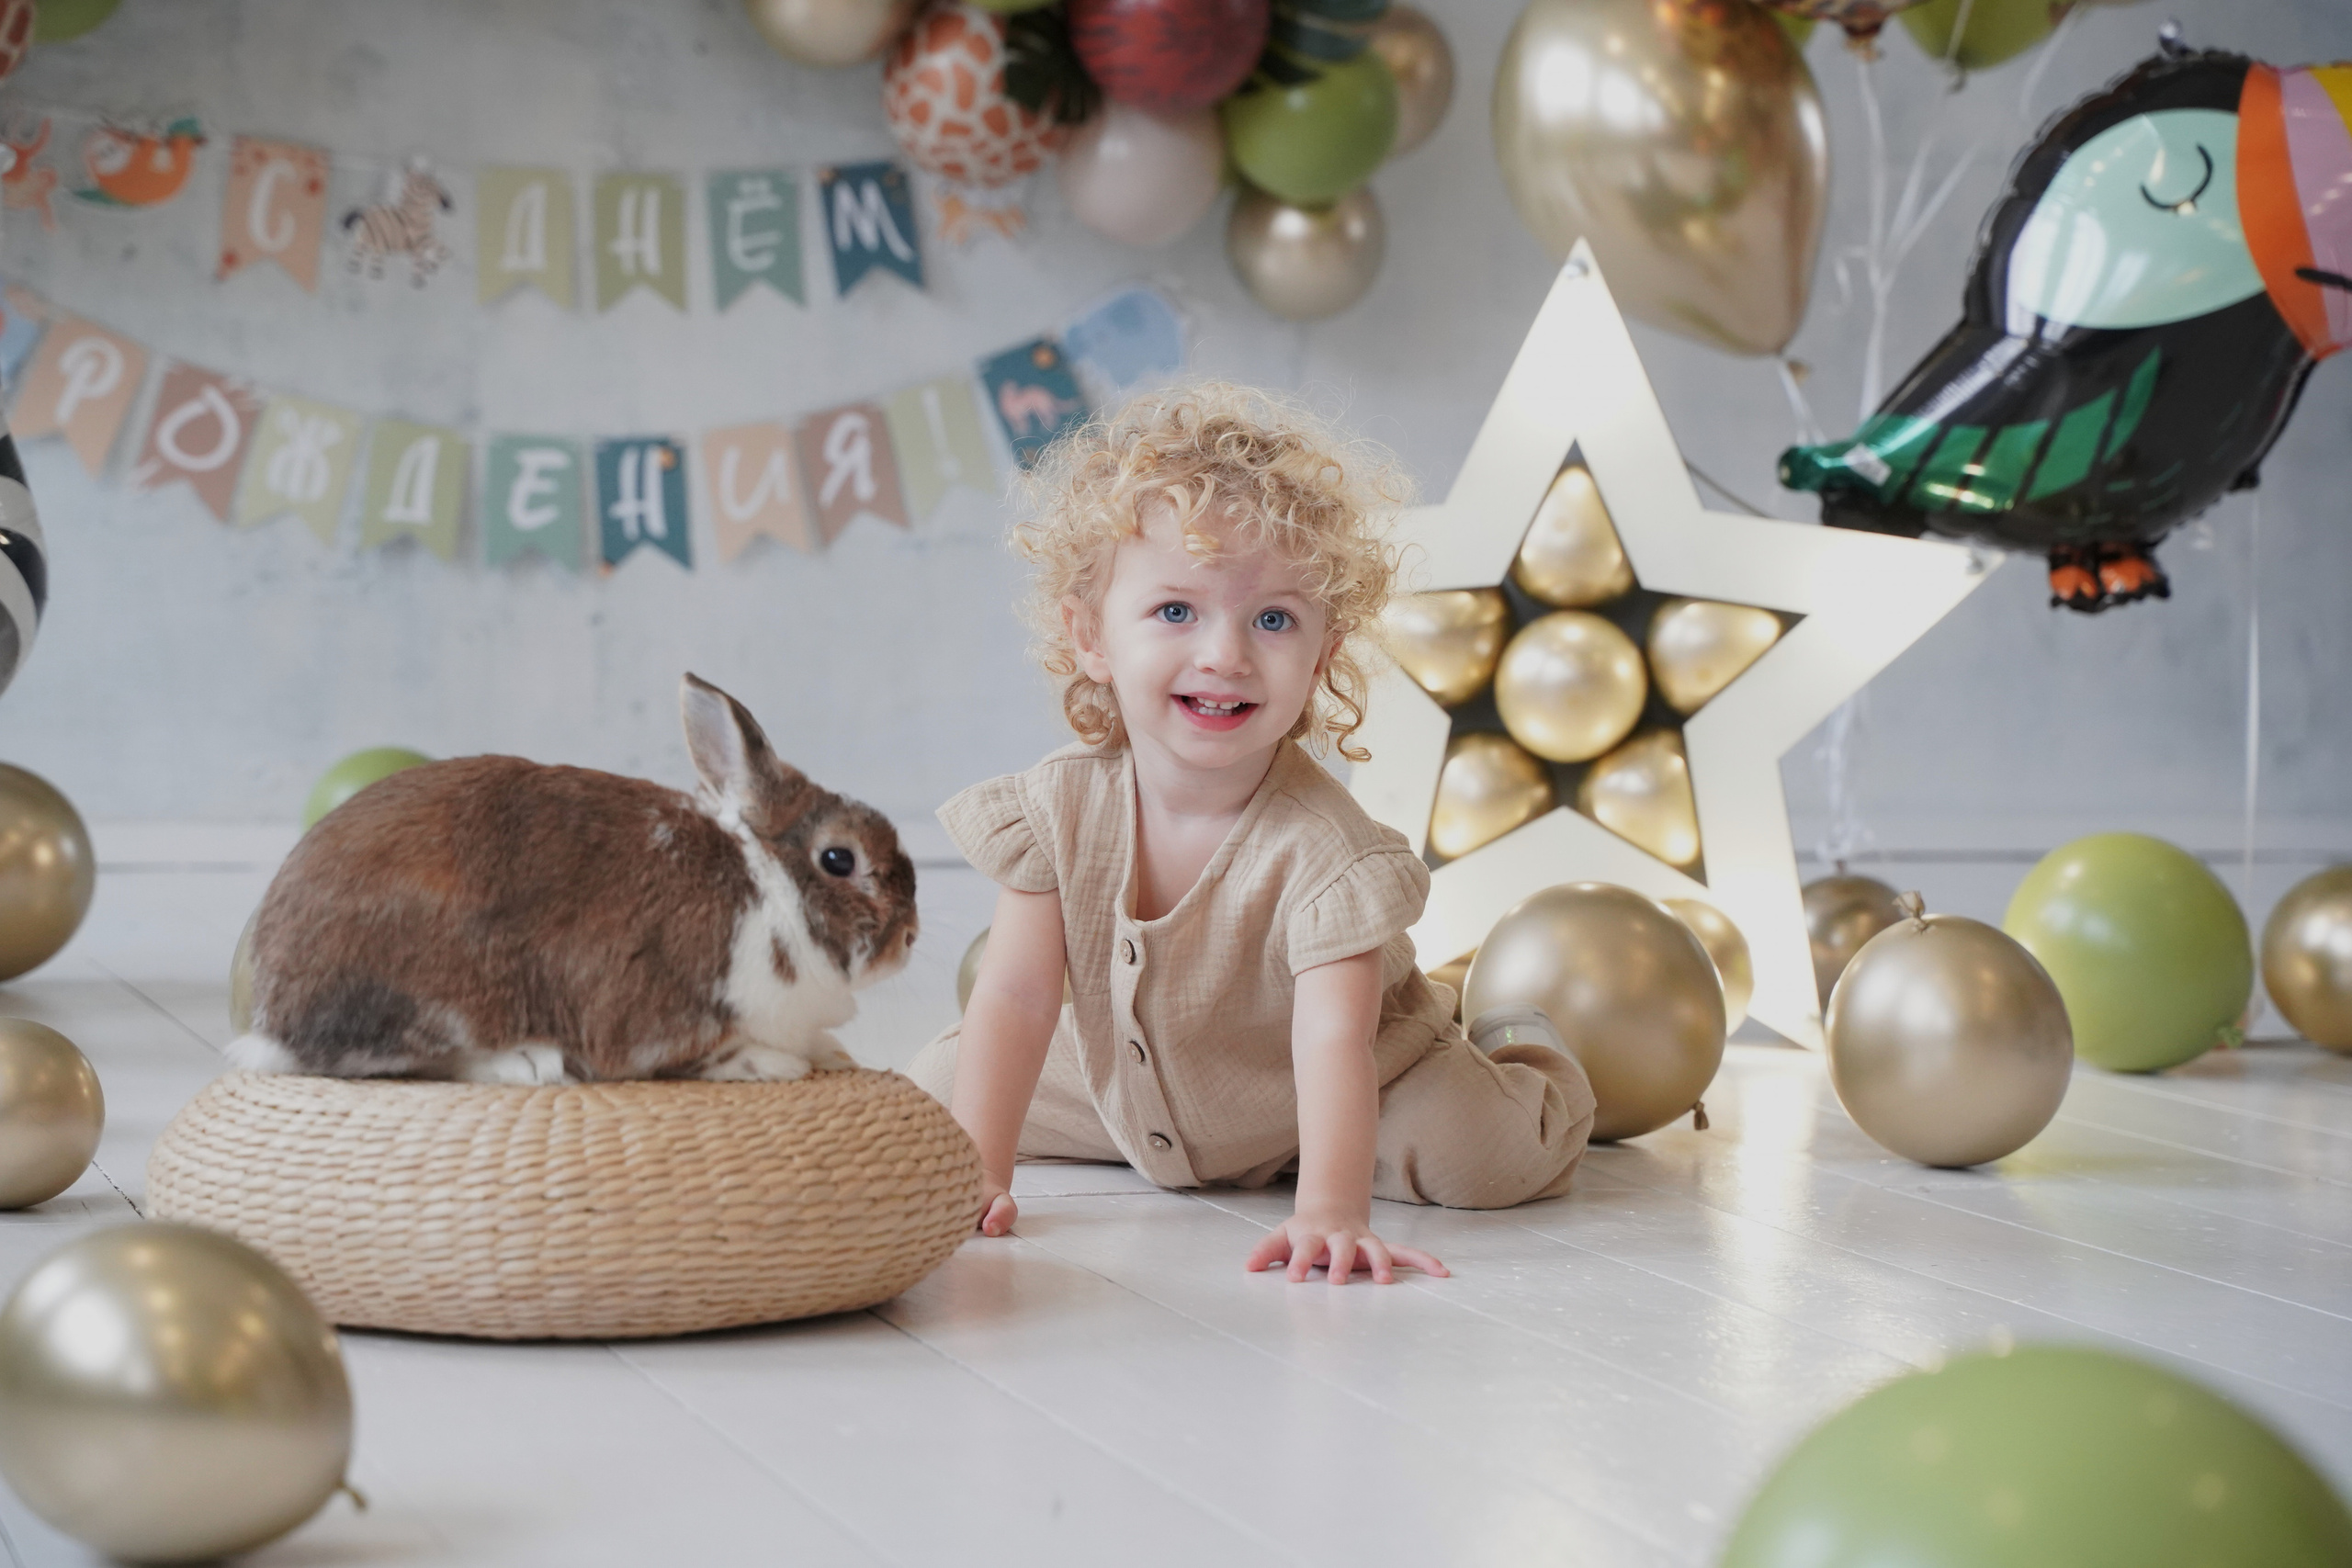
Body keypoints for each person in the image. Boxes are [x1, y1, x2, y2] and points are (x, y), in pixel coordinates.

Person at [910, 382, 1595, 1284]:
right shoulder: (1056, 811)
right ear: (1090, 637)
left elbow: (1331, 1044)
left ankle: (1508, 1032)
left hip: (1352, 1079)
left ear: (1320, 659)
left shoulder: (1323, 852)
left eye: (1273, 619)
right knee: (934, 1091)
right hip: (1129, 1086)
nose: (1224, 655)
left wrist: (1330, 1211)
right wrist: (980, 1171)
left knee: (1481, 1154)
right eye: (1175, 611)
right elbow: (1019, 1000)